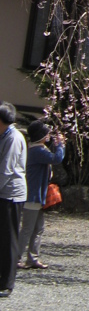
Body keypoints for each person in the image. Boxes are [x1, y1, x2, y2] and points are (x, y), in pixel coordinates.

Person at [17, 120, 65, 271]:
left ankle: (33, 257)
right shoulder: (37, 151)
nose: (48, 136)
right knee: (28, 229)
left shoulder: (36, 149)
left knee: (38, 228)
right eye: (46, 134)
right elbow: (56, 158)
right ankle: (15, 257)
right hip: (33, 196)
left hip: (36, 196)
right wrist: (60, 145)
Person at [0, 101, 27, 297]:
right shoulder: (4, 136)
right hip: (3, 192)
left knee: (8, 238)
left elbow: (6, 170)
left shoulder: (13, 138)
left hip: (11, 194)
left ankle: (7, 283)